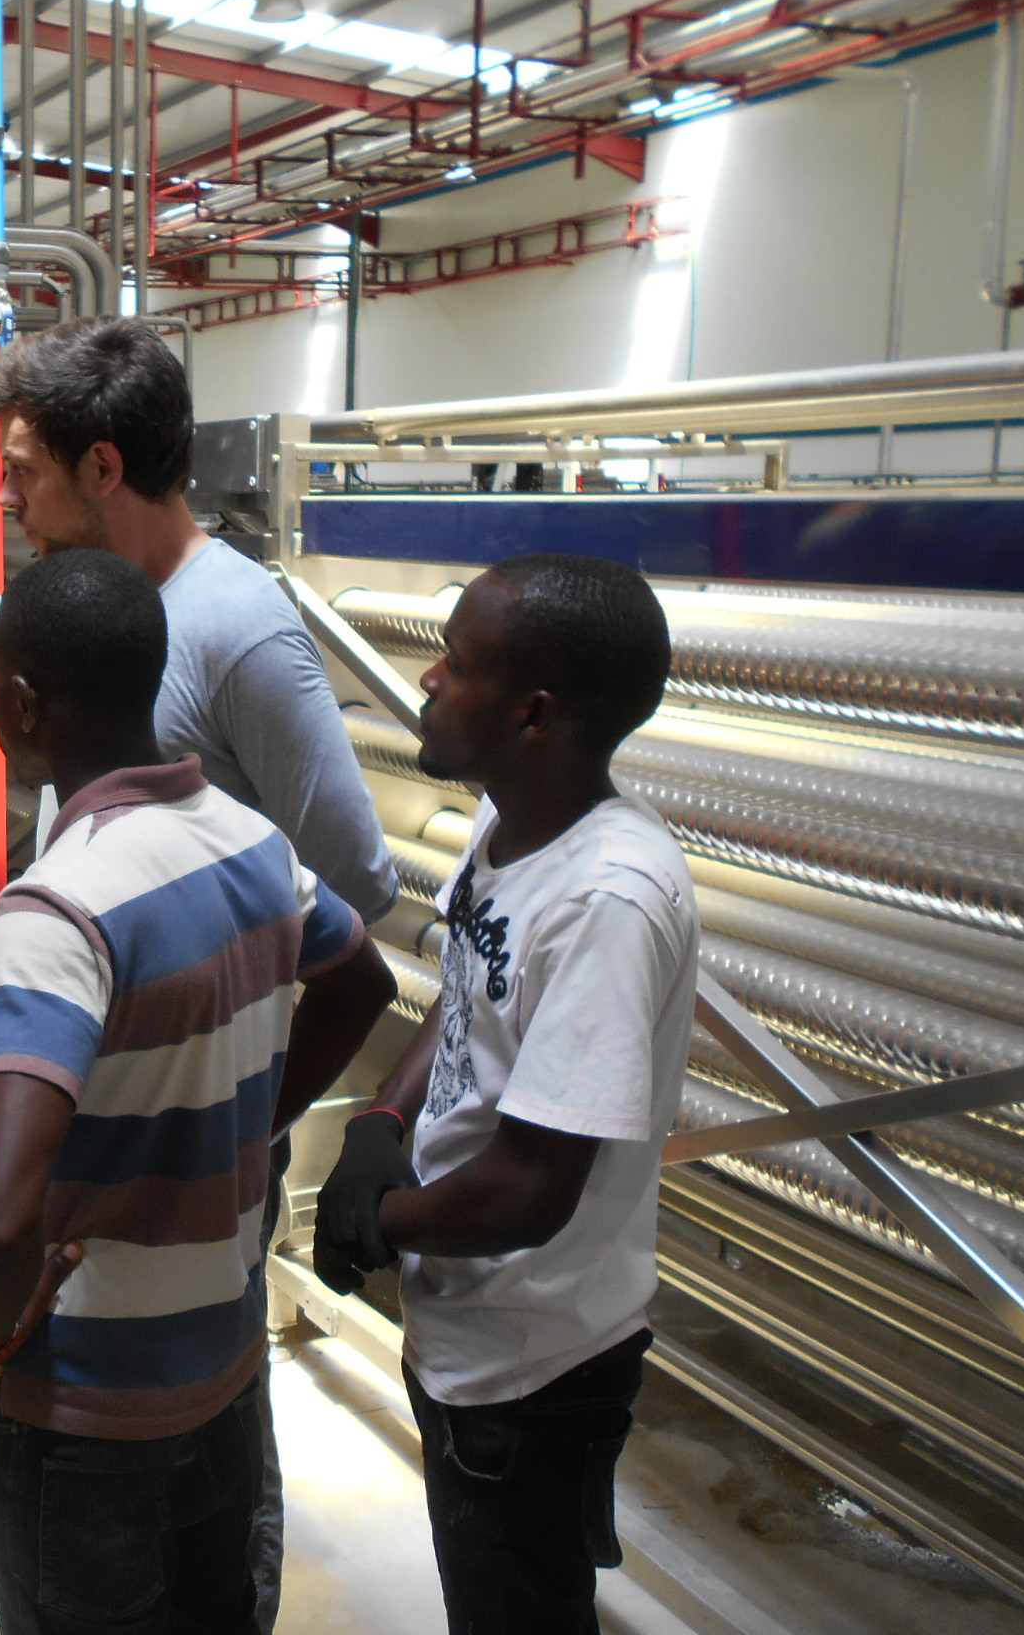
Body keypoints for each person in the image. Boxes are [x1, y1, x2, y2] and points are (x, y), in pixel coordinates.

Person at [0, 316, 398, 1623]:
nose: (14, 502)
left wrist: (241, 1107)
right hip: (113, 1106)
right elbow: (4, 634)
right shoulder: (107, 612)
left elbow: (350, 888)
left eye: (27, 477)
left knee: (184, 1446)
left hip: (191, 1115)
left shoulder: (239, 633)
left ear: (102, 470)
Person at [0, 550, 397, 1635]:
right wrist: (243, 1131)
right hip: (226, 1383)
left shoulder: (59, 907)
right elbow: (363, 984)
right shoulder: (251, 843)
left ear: (17, 703)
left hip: (87, 1424)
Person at [311, 554, 697, 1635]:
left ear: (533, 712)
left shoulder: (608, 900)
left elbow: (531, 1189)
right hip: (468, 1330)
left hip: (535, 1373)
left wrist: (379, 1221)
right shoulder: (513, 826)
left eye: (457, 664)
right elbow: (467, 994)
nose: (429, 681)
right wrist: (382, 1124)